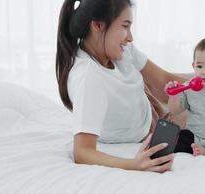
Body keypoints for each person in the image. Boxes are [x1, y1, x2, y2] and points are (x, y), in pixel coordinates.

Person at [55, 0, 192, 172]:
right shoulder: (88, 77)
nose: (130, 37)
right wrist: (133, 165)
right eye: (125, 26)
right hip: (147, 126)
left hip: (148, 102)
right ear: (97, 25)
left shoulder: (121, 50)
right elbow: (82, 152)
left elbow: (164, 79)